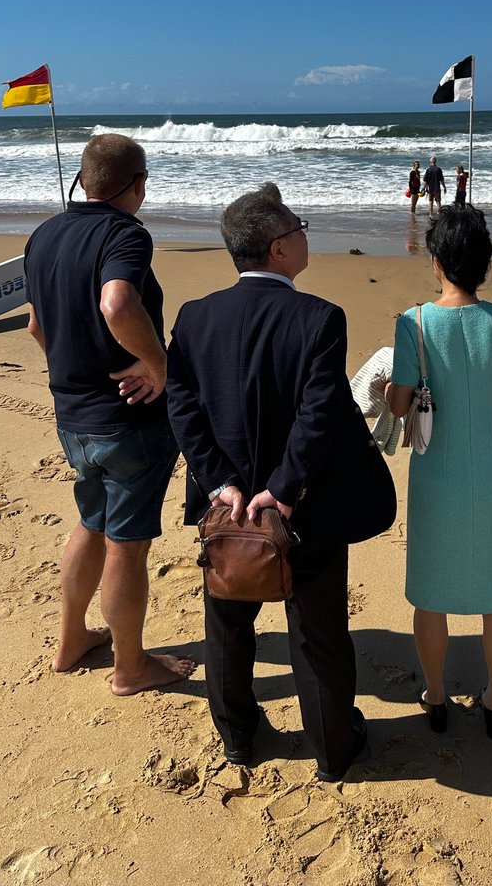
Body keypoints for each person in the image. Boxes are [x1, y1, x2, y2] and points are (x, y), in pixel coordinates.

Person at [166, 184, 396, 781]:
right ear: (276, 250)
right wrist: (286, 489)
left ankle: (239, 738)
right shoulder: (318, 318)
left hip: (225, 507)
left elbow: (182, 405)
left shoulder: (196, 317)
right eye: (299, 227)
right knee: (317, 631)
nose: (304, 234)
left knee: (226, 623)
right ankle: (332, 748)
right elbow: (319, 414)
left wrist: (220, 481)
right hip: (304, 509)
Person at [24, 134, 194, 696]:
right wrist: (160, 364)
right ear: (137, 183)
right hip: (129, 417)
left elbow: (35, 326)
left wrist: (73, 372)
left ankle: (70, 640)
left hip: (71, 412)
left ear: (84, 179)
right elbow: (117, 303)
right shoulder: (125, 234)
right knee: (127, 542)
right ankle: (130, 667)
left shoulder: (43, 234)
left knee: (91, 522)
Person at [387, 205, 492, 738]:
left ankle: (437, 692)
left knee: (431, 590)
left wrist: (387, 389)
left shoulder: (415, 322)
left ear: (437, 262)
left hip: (436, 468)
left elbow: (400, 405)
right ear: (484, 264)